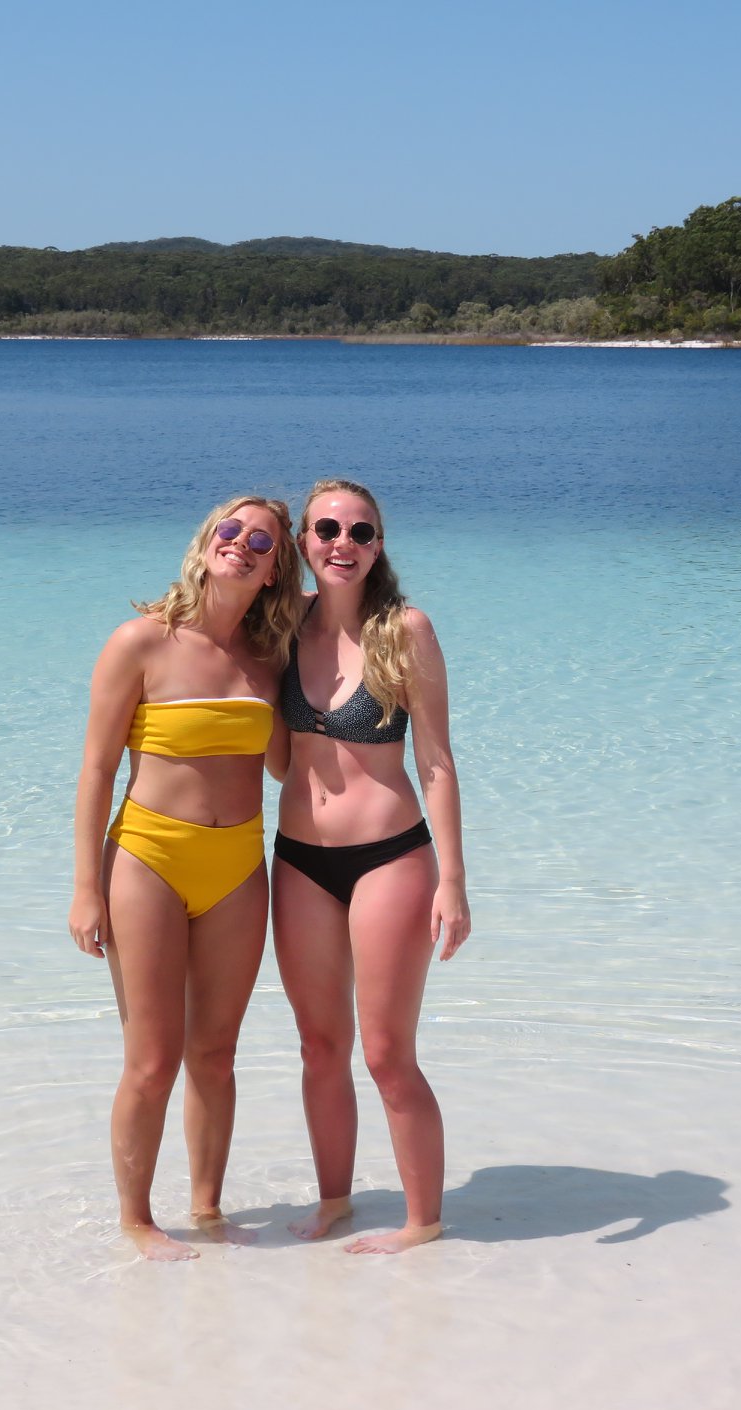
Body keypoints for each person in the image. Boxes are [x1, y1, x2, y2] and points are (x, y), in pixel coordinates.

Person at [69, 496, 303, 1261]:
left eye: (260, 541)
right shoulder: (141, 641)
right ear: (205, 545)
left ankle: (206, 1207)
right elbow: (98, 769)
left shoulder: (270, 662)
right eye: (228, 531)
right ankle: (137, 1220)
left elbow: (286, 766)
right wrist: (83, 888)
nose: (240, 544)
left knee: (216, 1054)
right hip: (147, 859)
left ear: (274, 571)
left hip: (239, 863)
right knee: (152, 1057)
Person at [271, 479, 470, 1254]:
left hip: (391, 859)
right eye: (326, 529)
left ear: (378, 545)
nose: (342, 544)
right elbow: (279, 762)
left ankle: (423, 1222)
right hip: (297, 863)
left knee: (387, 1054)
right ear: (304, 543)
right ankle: (335, 1202)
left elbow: (438, 764)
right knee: (319, 1046)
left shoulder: (404, 630)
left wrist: (453, 879)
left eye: (361, 532)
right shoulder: (283, 631)